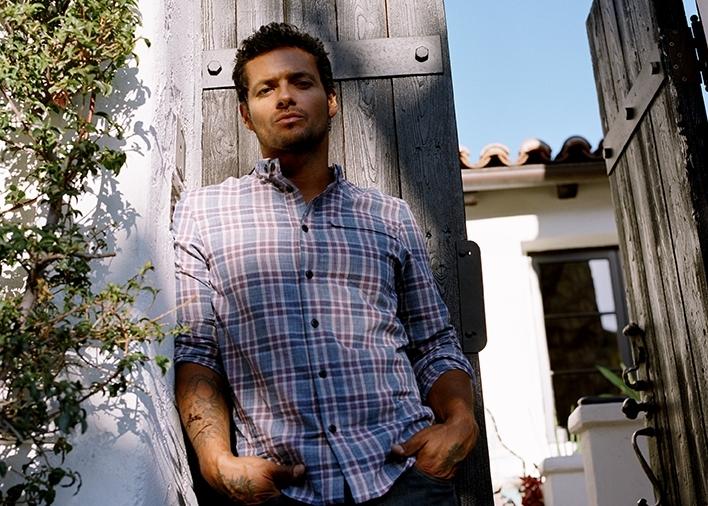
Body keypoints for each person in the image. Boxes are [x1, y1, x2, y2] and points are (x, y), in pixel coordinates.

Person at [172, 22, 479, 506]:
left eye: (301, 82)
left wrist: (461, 422)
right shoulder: (202, 213)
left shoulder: (389, 215)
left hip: (404, 479)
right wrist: (216, 461)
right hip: (281, 490)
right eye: (266, 89)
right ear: (245, 115)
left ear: (331, 99)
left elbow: (434, 343)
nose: (285, 97)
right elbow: (197, 350)